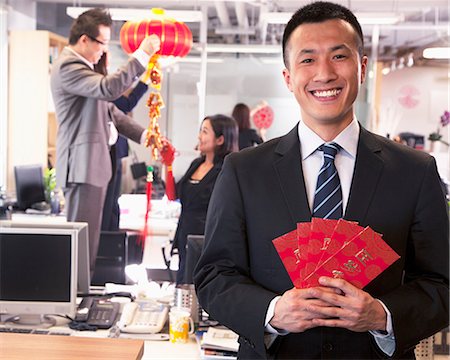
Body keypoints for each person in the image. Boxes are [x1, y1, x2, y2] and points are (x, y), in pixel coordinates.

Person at [194, 2, 449, 359]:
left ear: (361, 67)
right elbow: (214, 276)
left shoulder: (415, 171)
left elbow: (441, 284)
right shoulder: (243, 171)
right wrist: (272, 312)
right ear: (288, 77)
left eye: (339, 56)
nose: (324, 74)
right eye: (308, 59)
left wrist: (382, 315)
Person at [50, 8, 160, 273]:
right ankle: (76, 303)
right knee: (81, 246)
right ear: (85, 39)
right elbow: (108, 89)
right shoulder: (69, 66)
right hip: (82, 167)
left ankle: (81, 299)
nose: (103, 50)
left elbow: (111, 112)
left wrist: (146, 136)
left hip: (92, 167)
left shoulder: (86, 69)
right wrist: (142, 54)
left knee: (88, 245)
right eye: (101, 42)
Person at [172, 114, 238, 284]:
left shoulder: (226, 169)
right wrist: (168, 164)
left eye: (204, 131)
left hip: (206, 237)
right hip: (185, 232)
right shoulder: (196, 163)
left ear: (220, 139)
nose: (199, 136)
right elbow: (175, 195)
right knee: (182, 283)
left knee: (199, 286)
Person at [93, 52, 151, 231]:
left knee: (112, 201)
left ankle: (112, 240)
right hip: (105, 152)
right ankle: (109, 241)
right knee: (108, 202)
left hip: (115, 150)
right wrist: (145, 81)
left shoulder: (106, 87)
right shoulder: (101, 87)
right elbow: (127, 104)